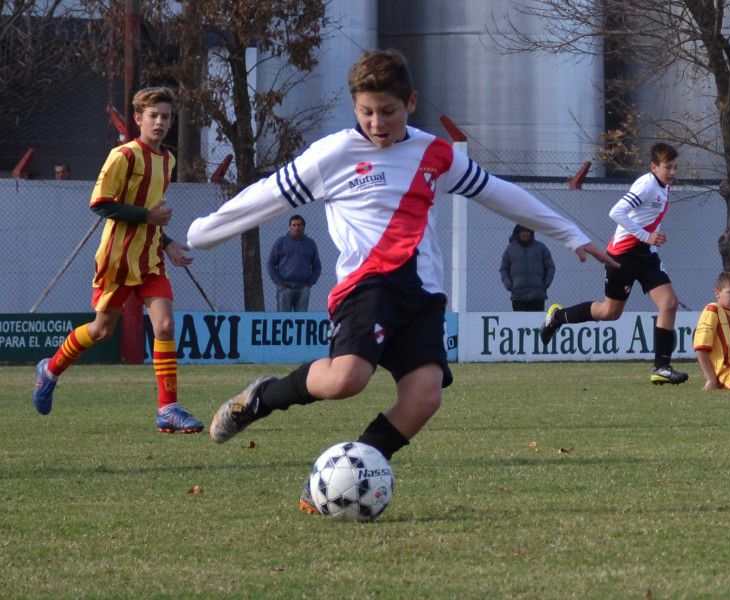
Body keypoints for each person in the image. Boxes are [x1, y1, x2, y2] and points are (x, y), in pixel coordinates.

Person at [186, 49, 618, 514]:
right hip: (367, 288)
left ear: (410, 103)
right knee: (346, 379)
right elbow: (264, 196)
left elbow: (500, 193)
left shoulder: (434, 153)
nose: (376, 123)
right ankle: (260, 399)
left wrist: (571, 233)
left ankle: (349, 477)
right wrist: (201, 233)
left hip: (424, 297)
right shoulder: (331, 156)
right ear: (354, 108)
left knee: (423, 397)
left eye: (387, 111)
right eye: (366, 112)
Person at [32, 86, 205, 433]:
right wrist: (147, 218)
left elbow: (154, 214)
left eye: (166, 116)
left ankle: (167, 408)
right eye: (153, 116)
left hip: (151, 258)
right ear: (138, 118)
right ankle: (49, 370)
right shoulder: (124, 155)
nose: (160, 122)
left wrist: (167, 243)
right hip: (118, 259)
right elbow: (100, 203)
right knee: (101, 329)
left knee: (166, 326)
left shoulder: (168, 160)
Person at [539, 142, 689, 385]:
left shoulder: (664, 186)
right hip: (622, 256)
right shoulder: (646, 185)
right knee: (610, 312)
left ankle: (661, 367)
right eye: (667, 167)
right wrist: (646, 236)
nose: (673, 172)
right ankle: (558, 317)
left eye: (675, 167)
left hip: (646, 256)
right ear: (653, 167)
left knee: (669, 303)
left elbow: (649, 216)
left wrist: (653, 239)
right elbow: (616, 212)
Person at [267, 214, 321, 311]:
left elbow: (317, 266)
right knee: (283, 320)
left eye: (299, 225)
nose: (296, 227)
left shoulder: (310, 243)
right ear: (289, 227)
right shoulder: (281, 242)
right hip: (285, 287)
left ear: (304, 227)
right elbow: (271, 263)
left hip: (303, 287)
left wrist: (310, 283)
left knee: (301, 320)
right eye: (293, 225)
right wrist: (278, 283)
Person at [500, 224, 555, 311]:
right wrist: (509, 285)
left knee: (537, 322)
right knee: (519, 323)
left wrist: (545, 283)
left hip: (537, 295)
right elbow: (503, 269)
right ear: (518, 233)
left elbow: (550, 267)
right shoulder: (510, 249)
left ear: (531, 233)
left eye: (527, 231)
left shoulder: (541, 248)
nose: (524, 233)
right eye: (522, 231)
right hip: (518, 296)